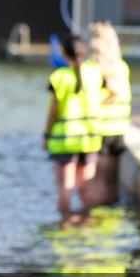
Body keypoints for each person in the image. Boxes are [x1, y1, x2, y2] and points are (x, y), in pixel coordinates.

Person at [43, 35, 102, 227]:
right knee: (86, 186)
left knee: (65, 187)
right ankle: (88, 221)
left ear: (63, 53)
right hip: (90, 138)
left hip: (64, 139)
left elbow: (54, 110)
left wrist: (46, 134)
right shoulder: (95, 73)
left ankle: (66, 223)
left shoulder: (60, 77)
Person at [82, 21, 131, 208]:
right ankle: (111, 218)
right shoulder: (121, 67)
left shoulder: (91, 68)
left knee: (96, 181)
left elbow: (92, 99)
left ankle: (94, 219)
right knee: (111, 181)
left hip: (99, 130)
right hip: (118, 129)